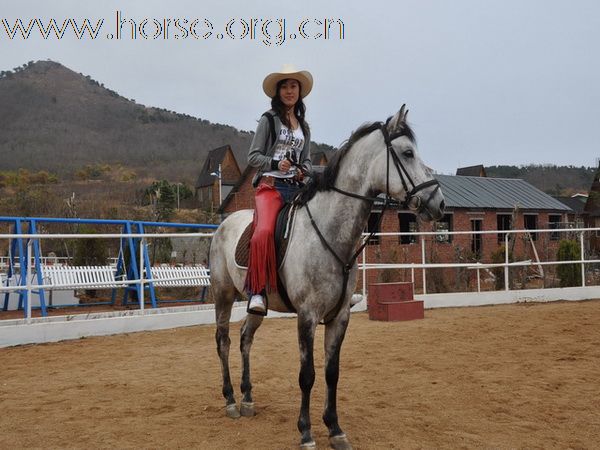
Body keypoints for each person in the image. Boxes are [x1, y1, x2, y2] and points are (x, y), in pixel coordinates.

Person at [244, 65, 313, 313]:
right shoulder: (268, 120)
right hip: (271, 186)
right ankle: (257, 292)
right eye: (284, 86)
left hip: (296, 188)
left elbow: (307, 161)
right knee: (263, 232)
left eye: (293, 86)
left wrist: (304, 170)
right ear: (278, 91)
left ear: (300, 91)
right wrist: (274, 163)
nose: (289, 91)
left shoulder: (304, 127)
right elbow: (253, 156)